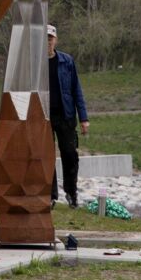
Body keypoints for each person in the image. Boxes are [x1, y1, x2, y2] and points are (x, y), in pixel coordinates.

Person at [46, 25, 90, 208]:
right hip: (44, 117)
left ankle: (71, 193)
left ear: (56, 40)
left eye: (51, 38)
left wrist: (84, 118)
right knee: (46, 157)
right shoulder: (35, 62)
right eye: (45, 38)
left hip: (66, 115)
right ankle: (50, 196)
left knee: (70, 155)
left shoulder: (67, 61)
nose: (48, 41)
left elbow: (76, 90)